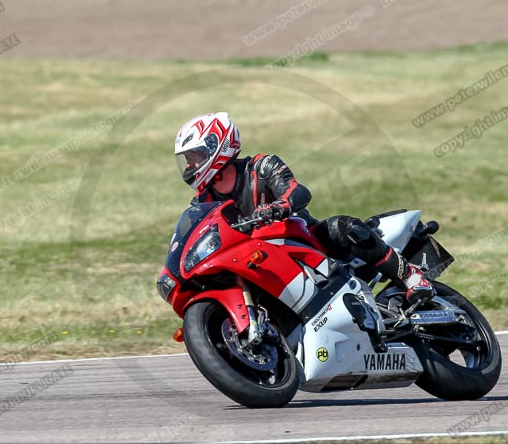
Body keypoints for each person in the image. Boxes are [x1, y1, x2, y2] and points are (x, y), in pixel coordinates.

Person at [174, 112, 435, 304]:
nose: (189, 166)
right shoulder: (204, 201)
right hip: (260, 258)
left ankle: (411, 277)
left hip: (304, 237)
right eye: (187, 160)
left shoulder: (262, 167)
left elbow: (296, 190)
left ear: (217, 146)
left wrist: (279, 206)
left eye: (194, 156)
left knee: (343, 227)